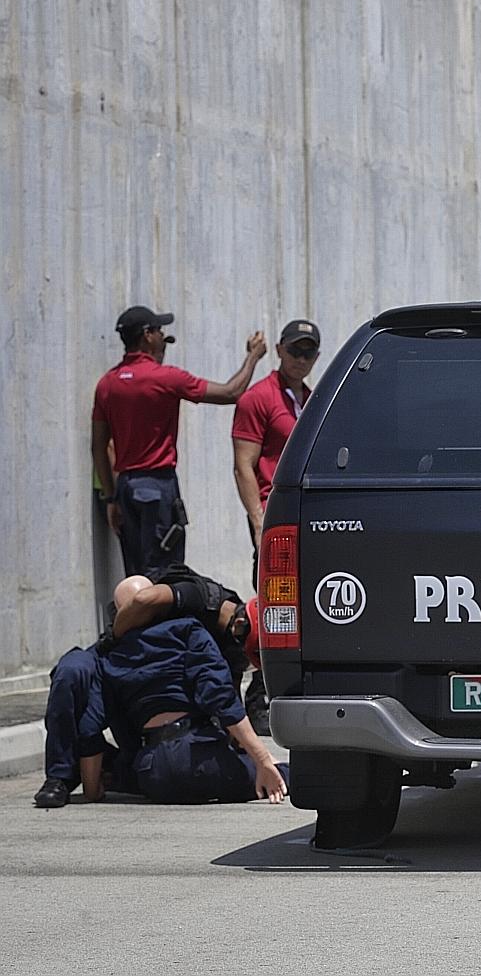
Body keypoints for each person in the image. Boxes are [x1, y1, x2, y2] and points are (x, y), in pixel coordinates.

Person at [33, 566, 262, 808]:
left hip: (154, 762)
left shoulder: (202, 636)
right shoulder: (196, 601)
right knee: (71, 671)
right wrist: (261, 759)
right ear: (238, 624)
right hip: (112, 648)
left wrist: (237, 749)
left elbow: (227, 696)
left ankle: (118, 771)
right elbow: (143, 600)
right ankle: (58, 778)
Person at [91, 305, 267, 575]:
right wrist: (253, 357)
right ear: (147, 335)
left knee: (135, 576)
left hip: (126, 488)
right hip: (158, 486)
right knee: (165, 574)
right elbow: (231, 392)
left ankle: (134, 618)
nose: (163, 337)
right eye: (160, 331)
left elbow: (99, 446)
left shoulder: (107, 384)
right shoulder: (166, 378)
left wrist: (111, 497)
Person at [102, 576, 287, 805]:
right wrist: (262, 758)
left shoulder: (112, 657)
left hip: (152, 771)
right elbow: (220, 697)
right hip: (198, 758)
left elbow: (120, 724)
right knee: (284, 773)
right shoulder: (185, 630)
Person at [232, 318, 321, 733]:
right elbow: (244, 465)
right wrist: (257, 521)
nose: (301, 359)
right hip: (274, 515)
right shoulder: (258, 398)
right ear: (280, 350)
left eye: (309, 353)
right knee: (272, 609)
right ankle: (258, 695)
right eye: (295, 351)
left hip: (308, 518)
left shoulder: (311, 398)